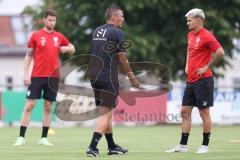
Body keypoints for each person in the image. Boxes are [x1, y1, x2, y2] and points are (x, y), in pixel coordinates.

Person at [165, 8, 224, 154]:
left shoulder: (207, 36)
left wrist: (206, 67)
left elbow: (220, 53)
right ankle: (183, 146)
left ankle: (204, 146)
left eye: (189, 20)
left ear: (199, 20)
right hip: (191, 80)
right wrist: (187, 64)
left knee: (204, 113)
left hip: (204, 80)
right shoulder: (190, 34)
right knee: (184, 111)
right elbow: (189, 49)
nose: (187, 23)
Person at [13, 10, 75, 146]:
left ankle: (44, 138)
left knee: (48, 106)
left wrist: (67, 49)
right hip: (36, 76)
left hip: (53, 78)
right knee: (30, 105)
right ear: (44, 20)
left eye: (54, 20)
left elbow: (72, 47)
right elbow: (28, 55)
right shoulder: (35, 36)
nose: (52, 22)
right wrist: (25, 74)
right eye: (50, 20)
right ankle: (21, 137)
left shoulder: (59, 36)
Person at [86, 4, 140, 157]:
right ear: (114, 17)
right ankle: (92, 147)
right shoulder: (118, 32)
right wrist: (132, 77)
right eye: (121, 16)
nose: (123, 19)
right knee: (105, 114)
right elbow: (122, 57)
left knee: (107, 111)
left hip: (94, 75)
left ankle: (112, 146)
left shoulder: (97, 30)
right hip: (107, 76)